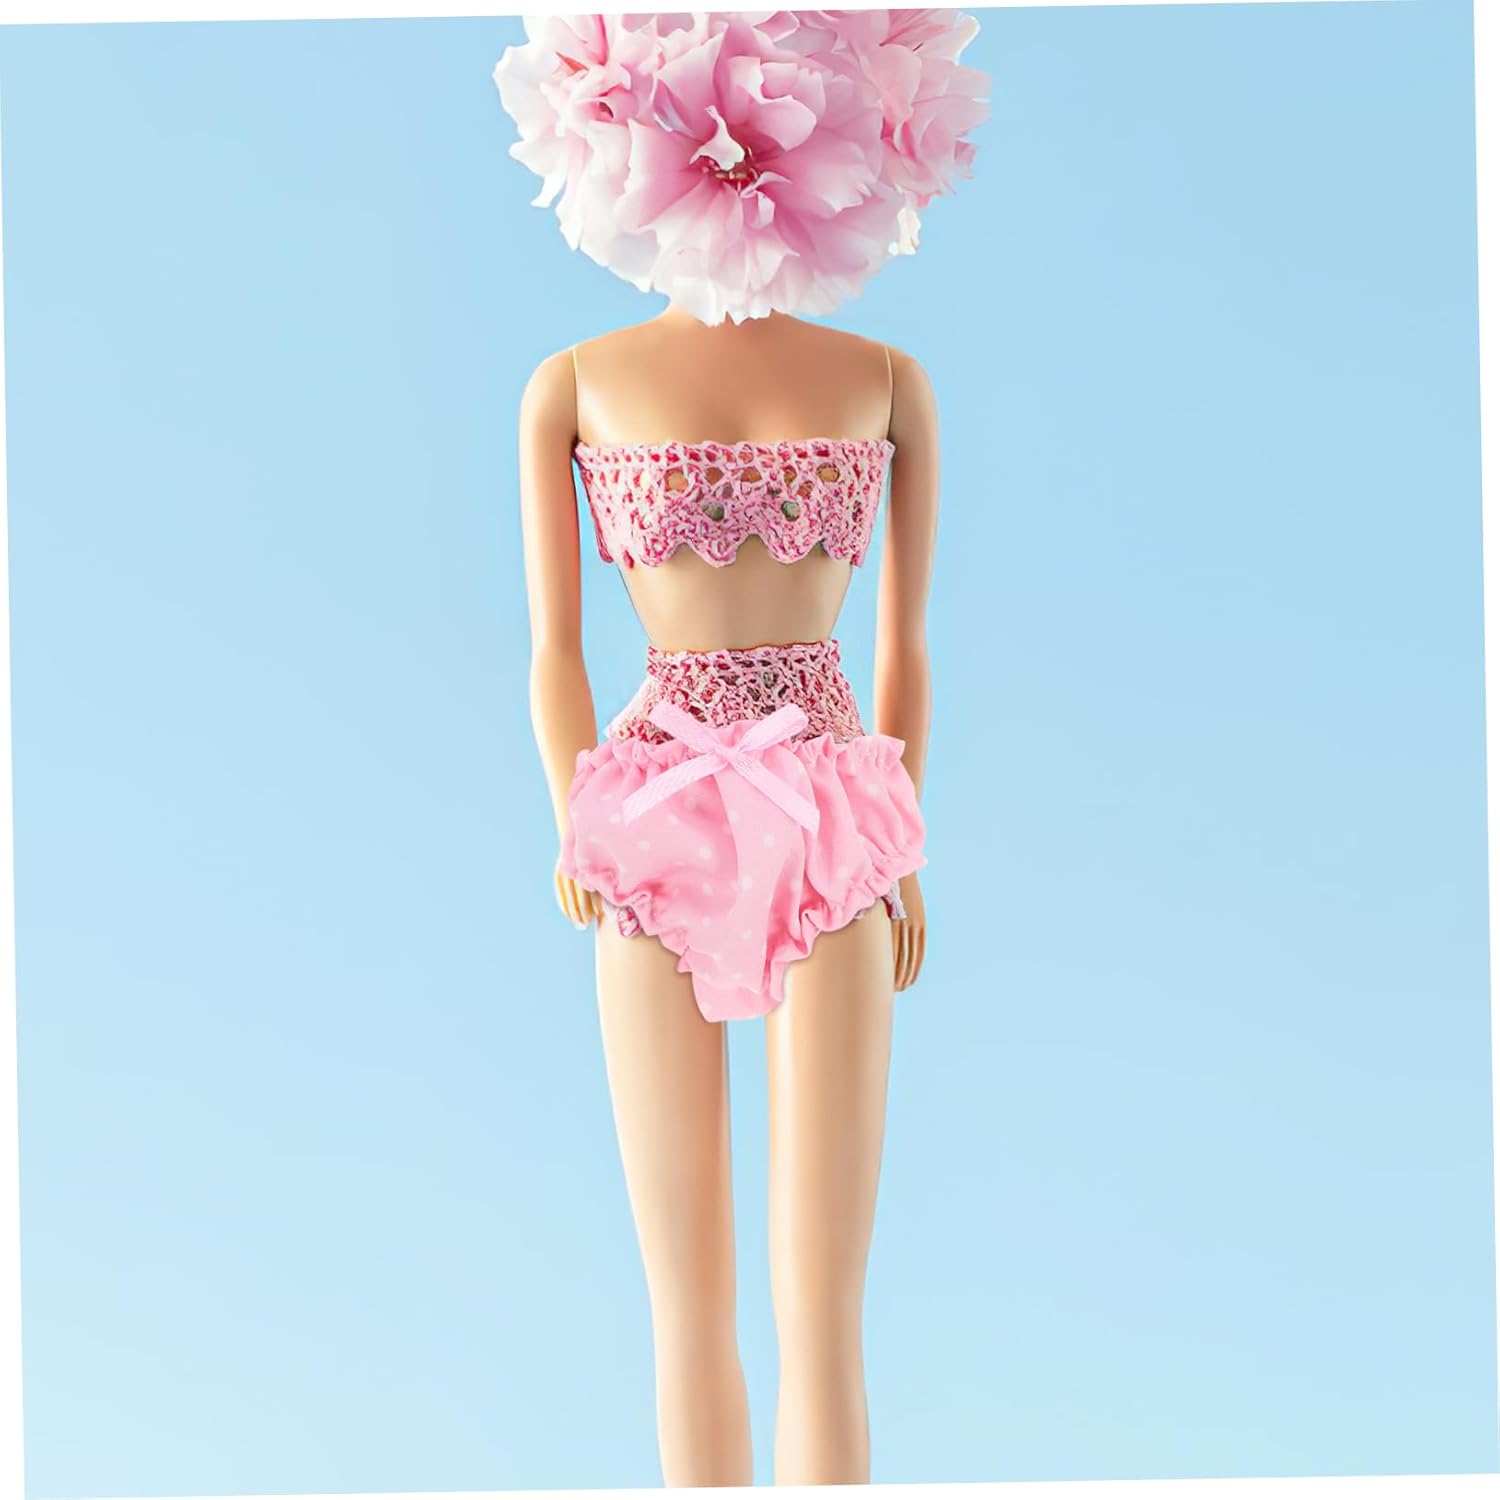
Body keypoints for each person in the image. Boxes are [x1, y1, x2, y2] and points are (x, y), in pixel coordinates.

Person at [495, 12, 988, 1486]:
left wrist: (902, 842)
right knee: (688, 1302)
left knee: (821, 1308)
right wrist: (574, 821)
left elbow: (905, 652)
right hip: (651, 814)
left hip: (831, 810)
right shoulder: (571, 383)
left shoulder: (888, 378)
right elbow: (551, 653)